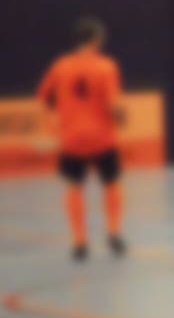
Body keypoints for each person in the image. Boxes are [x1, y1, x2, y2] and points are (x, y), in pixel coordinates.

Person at [36, 17, 126, 261]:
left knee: (74, 186)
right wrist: (121, 116)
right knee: (111, 182)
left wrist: (54, 124)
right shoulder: (106, 66)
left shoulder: (60, 66)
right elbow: (113, 103)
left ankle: (79, 241)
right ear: (97, 39)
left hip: (71, 137)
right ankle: (114, 232)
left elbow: (44, 97)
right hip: (102, 137)